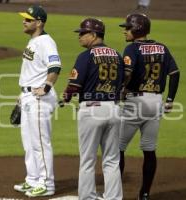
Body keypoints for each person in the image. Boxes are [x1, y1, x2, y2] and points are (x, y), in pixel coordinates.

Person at [118, 13, 180, 200]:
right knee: (149, 149)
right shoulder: (161, 48)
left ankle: (114, 192)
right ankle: (144, 194)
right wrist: (169, 100)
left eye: (127, 28)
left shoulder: (132, 48)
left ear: (137, 29)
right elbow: (175, 73)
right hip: (156, 103)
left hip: (135, 102)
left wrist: (121, 90)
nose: (125, 31)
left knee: (117, 147)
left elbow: (127, 72)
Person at [62, 18, 124, 200]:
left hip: (91, 110)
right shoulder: (117, 55)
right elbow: (122, 84)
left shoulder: (85, 56)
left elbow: (74, 85)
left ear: (94, 34)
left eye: (83, 33)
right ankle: (113, 197)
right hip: (113, 109)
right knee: (112, 160)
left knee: (88, 159)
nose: (79, 36)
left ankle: (87, 197)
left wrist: (64, 99)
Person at [13, 5, 62, 197]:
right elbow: (32, 71)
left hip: (39, 97)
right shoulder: (34, 41)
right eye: (24, 18)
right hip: (28, 96)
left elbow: (55, 65)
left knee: (41, 142)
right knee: (29, 142)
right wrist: (22, 94)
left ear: (39, 22)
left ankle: (47, 183)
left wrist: (47, 86)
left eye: (28, 19)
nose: (24, 21)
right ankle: (32, 179)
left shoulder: (46, 42)